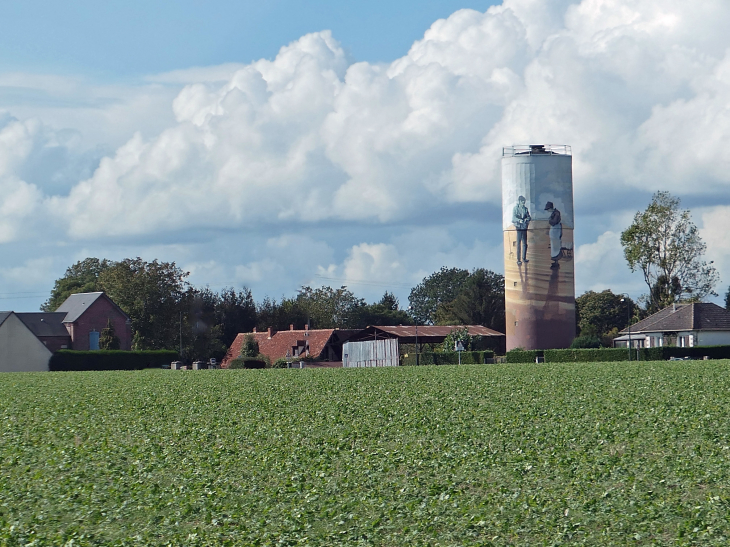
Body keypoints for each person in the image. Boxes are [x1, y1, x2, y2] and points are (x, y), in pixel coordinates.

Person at [512, 196, 531, 265]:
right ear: (519, 201)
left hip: (524, 227)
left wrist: (526, 219)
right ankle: (518, 260)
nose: (523, 203)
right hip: (518, 228)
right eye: (522, 202)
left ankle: (524, 258)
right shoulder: (515, 209)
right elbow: (513, 218)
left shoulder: (525, 209)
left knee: (525, 244)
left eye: (524, 202)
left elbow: (529, 217)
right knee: (518, 244)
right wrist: (519, 220)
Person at [545, 201, 562, 268]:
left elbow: (553, 222)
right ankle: (555, 261)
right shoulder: (555, 213)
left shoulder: (556, 213)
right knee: (554, 246)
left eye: (548, 209)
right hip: (554, 231)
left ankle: (556, 262)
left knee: (556, 246)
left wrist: (550, 221)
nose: (548, 211)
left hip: (556, 230)